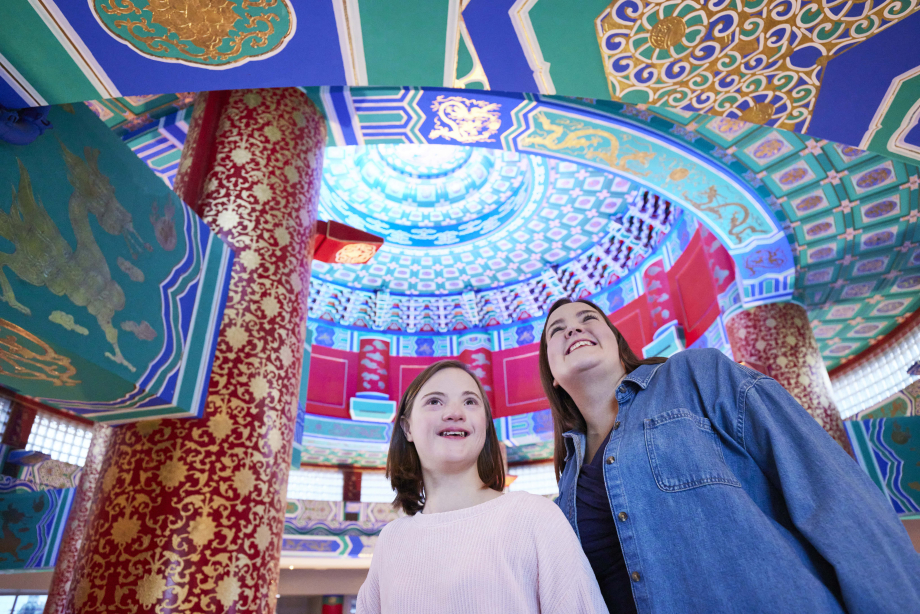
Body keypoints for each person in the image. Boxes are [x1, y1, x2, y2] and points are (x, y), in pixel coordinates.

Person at [539, 297, 920, 614]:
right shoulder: (565, 491)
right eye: (557, 330)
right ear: (553, 375)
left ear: (617, 343)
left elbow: (830, 493)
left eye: (589, 318)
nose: (573, 329)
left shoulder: (696, 375)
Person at [357, 359, 608, 614]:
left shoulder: (534, 516)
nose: (455, 413)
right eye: (435, 401)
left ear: (485, 425)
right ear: (407, 427)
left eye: (470, 402)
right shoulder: (391, 539)